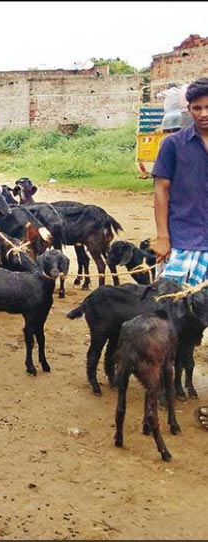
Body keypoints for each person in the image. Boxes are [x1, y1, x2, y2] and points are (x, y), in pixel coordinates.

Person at [149, 78, 208, 431]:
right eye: (197, 108)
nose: (203, 114)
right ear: (188, 110)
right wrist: (162, 236)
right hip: (183, 243)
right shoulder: (173, 146)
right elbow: (161, 193)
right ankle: (158, 383)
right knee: (166, 318)